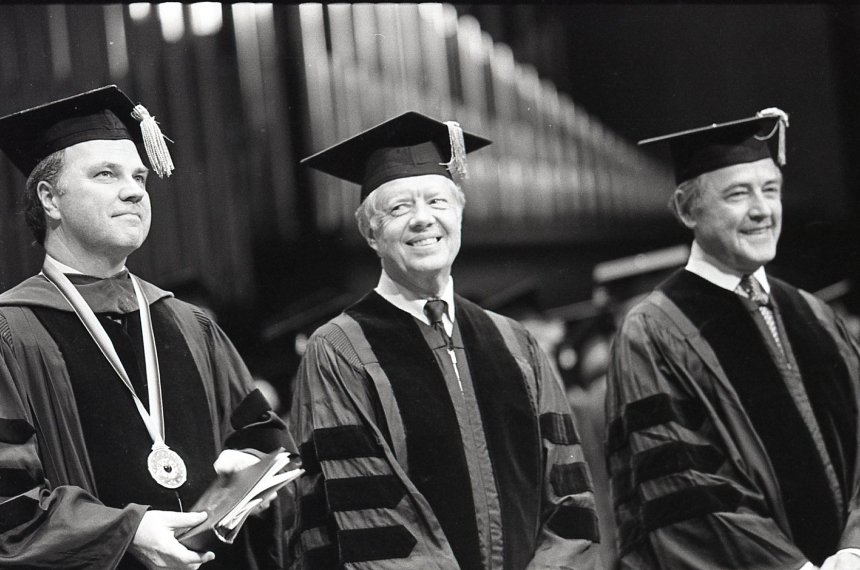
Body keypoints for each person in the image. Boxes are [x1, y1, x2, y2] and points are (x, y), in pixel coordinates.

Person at [287, 112, 600, 569]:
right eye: (398, 208)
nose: (422, 219)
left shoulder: (516, 343)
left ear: (459, 214)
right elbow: (366, 510)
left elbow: (568, 495)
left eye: (437, 201)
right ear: (370, 233)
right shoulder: (340, 350)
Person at [0, 85, 294, 569]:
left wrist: (251, 475)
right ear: (50, 199)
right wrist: (125, 530)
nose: (135, 189)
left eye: (139, 175)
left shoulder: (190, 325)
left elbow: (264, 440)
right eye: (105, 174)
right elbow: (8, 506)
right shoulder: (12, 336)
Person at [606, 108, 860, 569]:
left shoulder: (814, 314)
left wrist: (854, 548)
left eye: (771, 190)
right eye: (738, 194)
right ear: (687, 209)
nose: (762, 210)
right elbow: (683, 491)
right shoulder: (653, 332)